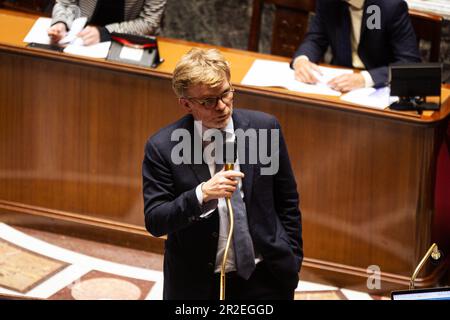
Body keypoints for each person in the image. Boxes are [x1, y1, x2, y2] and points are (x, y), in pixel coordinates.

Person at [142, 48, 303, 299]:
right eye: (208, 101)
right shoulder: (163, 147)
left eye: (225, 93)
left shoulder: (265, 128)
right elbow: (155, 220)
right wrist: (200, 194)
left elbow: (287, 202)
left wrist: (292, 260)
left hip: (265, 277)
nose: (221, 106)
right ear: (186, 104)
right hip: (198, 284)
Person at [292, 0, 421, 92]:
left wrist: (365, 79)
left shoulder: (389, 6)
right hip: (337, 85)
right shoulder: (328, 2)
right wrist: (302, 60)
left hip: (379, 86)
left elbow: (410, 64)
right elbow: (315, 39)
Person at [47, 0, 167, 45]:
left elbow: (149, 22)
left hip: (129, 40)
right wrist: (61, 23)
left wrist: (105, 33)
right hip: (80, 38)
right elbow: (65, 3)